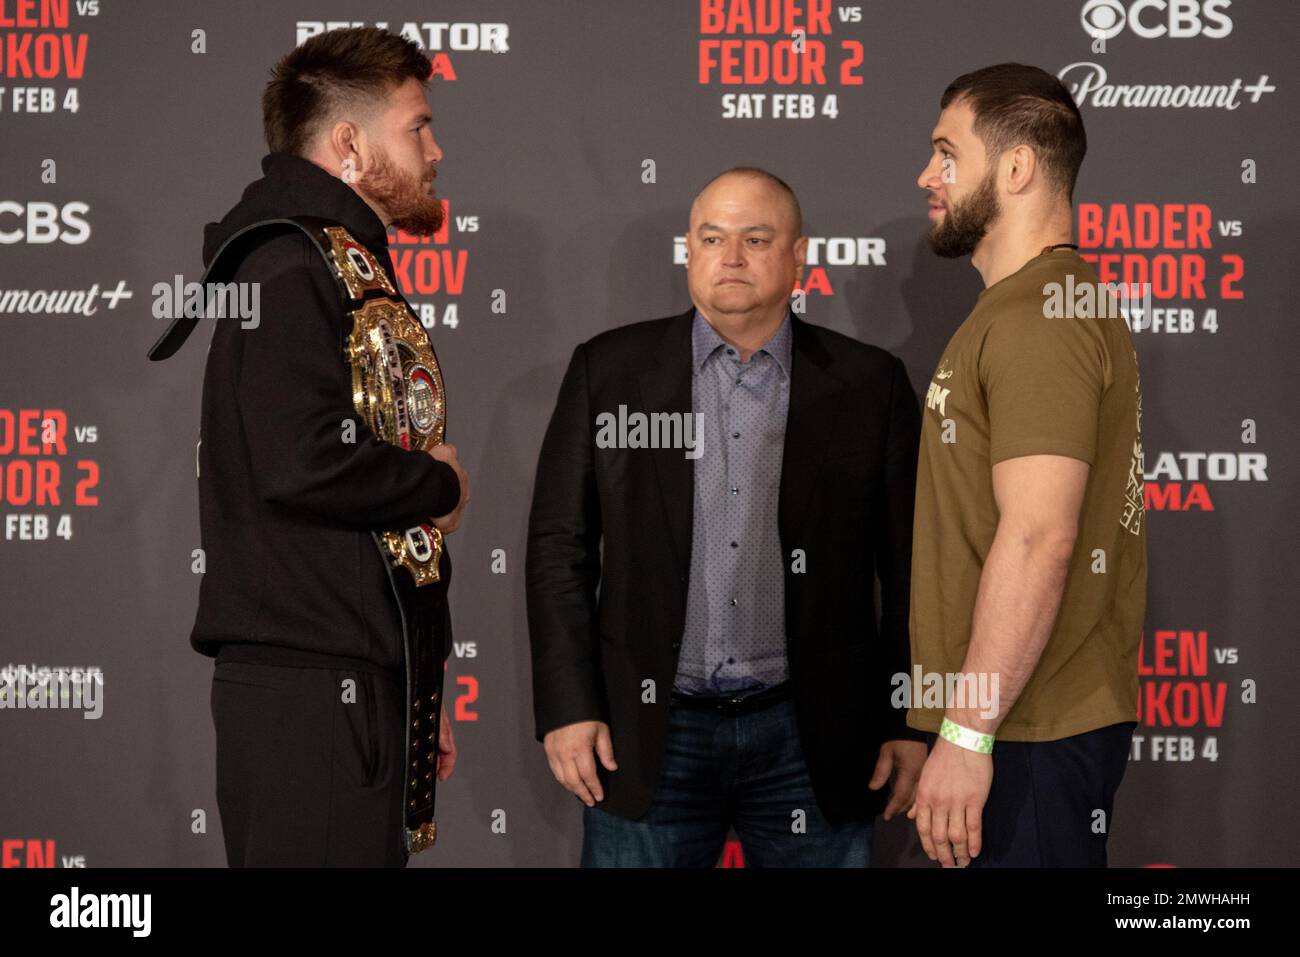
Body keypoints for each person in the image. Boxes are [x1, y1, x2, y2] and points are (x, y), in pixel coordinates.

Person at [527, 166, 926, 867]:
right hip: (650, 729)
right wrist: (569, 704)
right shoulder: (609, 371)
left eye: (755, 238)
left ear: (799, 255)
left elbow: (909, 567)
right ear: (689, 248)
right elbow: (560, 547)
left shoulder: (871, 384)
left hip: (813, 734)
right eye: (712, 237)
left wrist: (906, 717)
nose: (730, 256)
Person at [149, 27, 469, 866]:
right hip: (312, 693)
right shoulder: (291, 265)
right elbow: (302, 459)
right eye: (418, 128)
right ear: (350, 145)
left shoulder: (331, 257)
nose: (436, 151)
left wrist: (418, 687)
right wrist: (436, 483)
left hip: (348, 681)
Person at [907, 63, 1146, 867]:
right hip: (1016, 725)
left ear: (1015, 168)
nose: (926, 176)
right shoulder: (1032, 305)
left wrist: (968, 729)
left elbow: (1041, 533)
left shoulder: (1042, 313)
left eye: (947, 154)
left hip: (1027, 730)